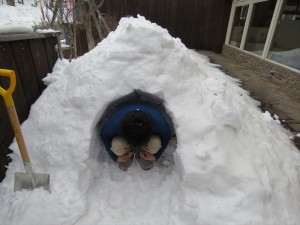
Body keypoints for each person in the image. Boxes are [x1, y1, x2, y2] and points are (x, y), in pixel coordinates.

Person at [100, 103, 172, 170]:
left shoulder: (159, 122)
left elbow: (167, 135)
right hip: (127, 133)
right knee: (117, 146)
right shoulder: (114, 124)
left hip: (144, 134)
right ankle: (128, 153)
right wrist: (115, 157)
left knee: (155, 143)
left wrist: (156, 156)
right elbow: (104, 135)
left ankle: (142, 153)